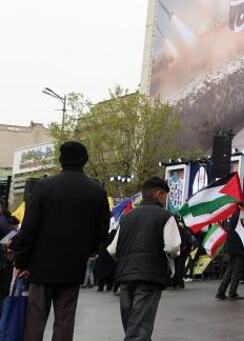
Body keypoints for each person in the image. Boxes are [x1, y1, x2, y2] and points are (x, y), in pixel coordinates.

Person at [13, 141, 110, 341]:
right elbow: (102, 230)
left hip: (40, 266)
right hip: (73, 267)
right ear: (84, 161)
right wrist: (88, 250)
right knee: (65, 320)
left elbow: (29, 228)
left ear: (61, 160)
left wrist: (21, 261)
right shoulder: (97, 191)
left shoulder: (44, 187)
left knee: (35, 319)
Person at [108, 177, 181, 341]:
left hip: (125, 277)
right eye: (165, 196)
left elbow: (112, 249)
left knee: (132, 326)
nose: (165, 200)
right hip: (149, 275)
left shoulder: (127, 217)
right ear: (158, 194)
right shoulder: (165, 216)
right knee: (139, 330)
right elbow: (172, 247)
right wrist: (172, 257)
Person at [215, 211, 244, 300]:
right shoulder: (241, 215)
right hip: (238, 247)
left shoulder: (234, 215)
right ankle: (232, 293)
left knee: (230, 269)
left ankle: (220, 292)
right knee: (237, 271)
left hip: (230, 247)